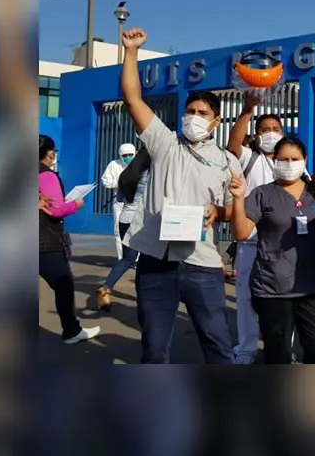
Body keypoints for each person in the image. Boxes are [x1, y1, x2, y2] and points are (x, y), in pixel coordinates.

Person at [118, 27, 242, 364]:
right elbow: (132, 99)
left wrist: (219, 212)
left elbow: (235, 211)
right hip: (155, 261)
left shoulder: (227, 162)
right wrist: (131, 51)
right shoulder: (164, 142)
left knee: (218, 345)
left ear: (216, 122)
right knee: (154, 347)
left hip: (202, 263)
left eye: (203, 114)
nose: (194, 118)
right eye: (190, 111)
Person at [228, 136, 315, 364]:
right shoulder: (262, 194)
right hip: (273, 289)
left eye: (294, 159)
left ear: (305, 160)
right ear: (275, 162)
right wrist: (239, 199)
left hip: (311, 287)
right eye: (283, 159)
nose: (289, 164)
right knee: (278, 352)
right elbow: (241, 233)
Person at [224, 92, 283, 364]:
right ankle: (246, 348)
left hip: (284, 245)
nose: (271, 133)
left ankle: (283, 351)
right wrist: (247, 110)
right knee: (246, 300)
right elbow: (233, 144)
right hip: (251, 241)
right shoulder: (249, 157)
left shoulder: (291, 162)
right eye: (265, 129)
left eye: (275, 129)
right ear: (257, 135)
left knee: (284, 302)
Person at [38, 134, 101, 345]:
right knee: (63, 285)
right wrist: (76, 204)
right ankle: (72, 331)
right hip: (45, 241)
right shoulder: (47, 175)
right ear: (50, 153)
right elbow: (55, 210)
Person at [97, 147, 151, 310]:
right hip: (141, 221)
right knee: (146, 259)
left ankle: (106, 288)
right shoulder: (150, 175)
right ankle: (143, 296)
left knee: (128, 258)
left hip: (125, 219)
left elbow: (120, 198)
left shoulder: (126, 174)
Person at [101, 143, 137, 261]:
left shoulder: (139, 165)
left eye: (130, 155)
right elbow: (105, 181)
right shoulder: (114, 165)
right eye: (125, 155)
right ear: (120, 155)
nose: (128, 157)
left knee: (137, 229)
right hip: (119, 201)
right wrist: (120, 183)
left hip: (136, 202)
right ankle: (123, 258)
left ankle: (136, 259)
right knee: (118, 230)